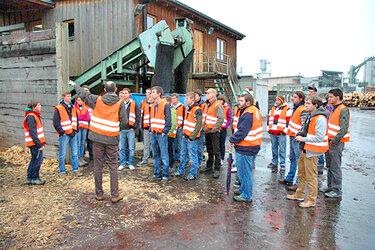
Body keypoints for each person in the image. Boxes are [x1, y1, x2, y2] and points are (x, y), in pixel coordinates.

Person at [69, 80, 127, 203]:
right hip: (112, 138)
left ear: (105, 90)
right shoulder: (120, 103)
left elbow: (83, 94)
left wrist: (74, 85)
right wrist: (116, 128)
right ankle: (115, 194)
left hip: (97, 137)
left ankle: (99, 194)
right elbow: (125, 122)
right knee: (113, 166)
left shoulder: (97, 100)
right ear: (116, 90)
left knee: (98, 165)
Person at [286, 96, 330, 208]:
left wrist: (303, 139)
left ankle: (311, 200)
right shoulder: (310, 116)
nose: (306, 106)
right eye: (306, 103)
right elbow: (306, 130)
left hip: (313, 150)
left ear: (316, 105)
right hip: (305, 149)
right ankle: (299, 194)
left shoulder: (320, 118)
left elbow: (319, 137)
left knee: (311, 176)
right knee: (302, 173)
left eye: (309, 104)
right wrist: (300, 134)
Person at [229, 94, 263, 202]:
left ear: (248, 102)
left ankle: (246, 195)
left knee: (245, 173)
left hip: (246, 147)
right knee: (244, 171)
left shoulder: (248, 113)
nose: (239, 102)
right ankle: (243, 190)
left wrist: (232, 139)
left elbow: (242, 132)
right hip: (253, 146)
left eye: (242, 100)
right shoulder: (254, 111)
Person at [321, 88, 350, 198]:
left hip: (336, 143)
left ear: (338, 98)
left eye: (331, 97)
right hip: (330, 142)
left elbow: (343, 129)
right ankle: (330, 187)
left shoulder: (343, 110)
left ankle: (337, 190)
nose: (329, 98)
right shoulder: (334, 109)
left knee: (335, 166)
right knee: (329, 166)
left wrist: (334, 141)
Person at [279, 91, 308, 191]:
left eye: (295, 97)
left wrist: (299, 136)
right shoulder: (296, 108)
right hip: (292, 137)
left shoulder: (302, 109)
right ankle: (290, 178)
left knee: (299, 160)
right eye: (293, 97)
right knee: (292, 159)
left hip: (297, 138)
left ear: (301, 99)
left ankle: (298, 183)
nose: (292, 98)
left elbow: (304, 125)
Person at [172, 92, 203, 180]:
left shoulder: (197, 110)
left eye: (188, 99)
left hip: (191, 138)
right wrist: (183, 134)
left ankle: (193, 173)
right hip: (185, 136)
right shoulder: (187, 109)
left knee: (193, 156)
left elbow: (199, 125)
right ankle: (181, 170)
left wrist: (192, 137)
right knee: (183, 154)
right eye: (186, 98)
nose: (186, 100)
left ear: (192, 99)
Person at [200, 88, 224, 179]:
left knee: (216, 150)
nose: (206, 94)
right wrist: (205, 127)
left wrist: (213, 129)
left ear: (213, 95)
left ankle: (217, 168)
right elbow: (205, 118)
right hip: (208, 130)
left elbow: (220, 119)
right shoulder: (207, 105)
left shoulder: (217, 105)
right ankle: (209, 166)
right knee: (209, 150)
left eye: (208, 93)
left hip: (214, 132)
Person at [53, 91, 80, 175]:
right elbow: (56, 122)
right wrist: (62, 132)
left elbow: (76, 120)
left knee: (75, 153)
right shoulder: (59, 108)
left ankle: (75, 169)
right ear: (64, 97)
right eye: (67, 96)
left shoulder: (73, 107)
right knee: (62, 153)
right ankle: (62, 171)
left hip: (73, 133)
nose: (69, 98)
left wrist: (75, 130)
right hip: (64, 134)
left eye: (70, 96)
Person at [149, 86, 172, 182]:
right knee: (155, 154)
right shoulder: (153, 105)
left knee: (163, 155)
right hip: (154, 133)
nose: (151, 94)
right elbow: (153, 119)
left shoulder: (165, 105)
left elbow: (168, 121)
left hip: (161, 134)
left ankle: (165, 175)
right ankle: (157, 173)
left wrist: (164, 132)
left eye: (153, 92)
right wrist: (151, 129)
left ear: (159, 94)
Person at [267, 95, 291, 173]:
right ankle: (274, 162)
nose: (276, 101)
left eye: (278, 100)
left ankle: (283, 164)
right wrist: (269, 128)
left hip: (281, 132)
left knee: (282, 149)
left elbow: (288, 121)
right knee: (274, 148)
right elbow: (269, 119)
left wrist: (285, 130)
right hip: (273, 131)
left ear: (282, 101)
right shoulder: (272, 109)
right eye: (276, 100)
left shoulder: (287, 110)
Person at [23, 100, 46, 185]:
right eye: (38, 105)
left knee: (34, 160)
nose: (40, 107)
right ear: (34, 107)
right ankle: (35, 178)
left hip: (34, 143)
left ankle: (30, 178)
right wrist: (39, 144)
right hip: (34, 144)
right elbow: (32, 132)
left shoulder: (33, 116)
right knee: (37, 160)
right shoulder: (31, 117)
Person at [118, 88, 140, 170]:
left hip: (130, 129)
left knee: (131, 148)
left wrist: (134, 127)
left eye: (125, 93)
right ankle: (122, 163)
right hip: (121, 129)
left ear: (129, 94)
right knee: (121, 147)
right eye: (123, 93)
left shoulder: (133, 103)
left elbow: (138, 116)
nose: (124, 95)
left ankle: (131, 163)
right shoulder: (119, 104)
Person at [163, 95, 178, 172]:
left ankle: (171, 164)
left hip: (170, 134)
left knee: (169, 149)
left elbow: (174, 124)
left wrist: (168, 132)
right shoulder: (168, 110)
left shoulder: (172, 111)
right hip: (168, 133)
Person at [138, 88, 152, 166]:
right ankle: (145, 159)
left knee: (154, 145)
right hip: (146, 126)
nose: (148, 94)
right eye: (146, 92)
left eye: (149, 93)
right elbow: (141, 113)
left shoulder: (155, 103)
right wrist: (141, 123)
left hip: (153, 127)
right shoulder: (143, 102)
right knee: (146, 144)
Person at [74, 97, 90, 166]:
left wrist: (81, 116)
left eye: (81, 100)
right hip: (78, 127)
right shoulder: (74, 108)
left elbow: (87, 117)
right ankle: (78, 158)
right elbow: (76, 117)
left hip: (84, 126)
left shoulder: (85, 108)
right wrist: (82, 117)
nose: (80, 102)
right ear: (76, 101)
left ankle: (81, 157)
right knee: (78, 142)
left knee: (83, 142)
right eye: (79, 100)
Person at [217, 95, 232, 163]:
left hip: (223, 128)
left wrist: (226, 126)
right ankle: (217, 158)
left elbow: (229, 118)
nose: (219, 101)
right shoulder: (216, 107)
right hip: (217, 128)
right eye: (218, 100)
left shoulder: (227, 108)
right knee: (216, 144)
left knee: (222, 144)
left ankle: (222, 158)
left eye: (221, 100)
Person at [171, 93, 185, 163]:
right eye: (172, 98)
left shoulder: (182, 106)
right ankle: (174, 158)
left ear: (177, 98)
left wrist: (182, 125)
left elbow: (184, 117)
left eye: (174, 98)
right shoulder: (170, 107)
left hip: (179, 128)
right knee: (173, 144)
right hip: (173, 128)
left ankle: (181, 158)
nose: (173, 100)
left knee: (180, 144)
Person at [194, 89, 206, 167]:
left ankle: (199, 161)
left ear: (200, 96)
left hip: (200, 129)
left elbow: (203, 117)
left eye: (196, 95)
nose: (194, 97)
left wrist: (200, 128)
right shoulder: (193, 105)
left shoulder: (203, 105)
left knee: (199, 146)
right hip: (193, 128)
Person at [82, 85, 94, 161]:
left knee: (91, 139)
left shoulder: (92, 100)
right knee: (82, 140)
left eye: (87, 90)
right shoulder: (80, 100)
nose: (85, 92)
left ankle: (92, 155)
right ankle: (82, 156)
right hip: (83, 122)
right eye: (84, 90)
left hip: (92, 122)